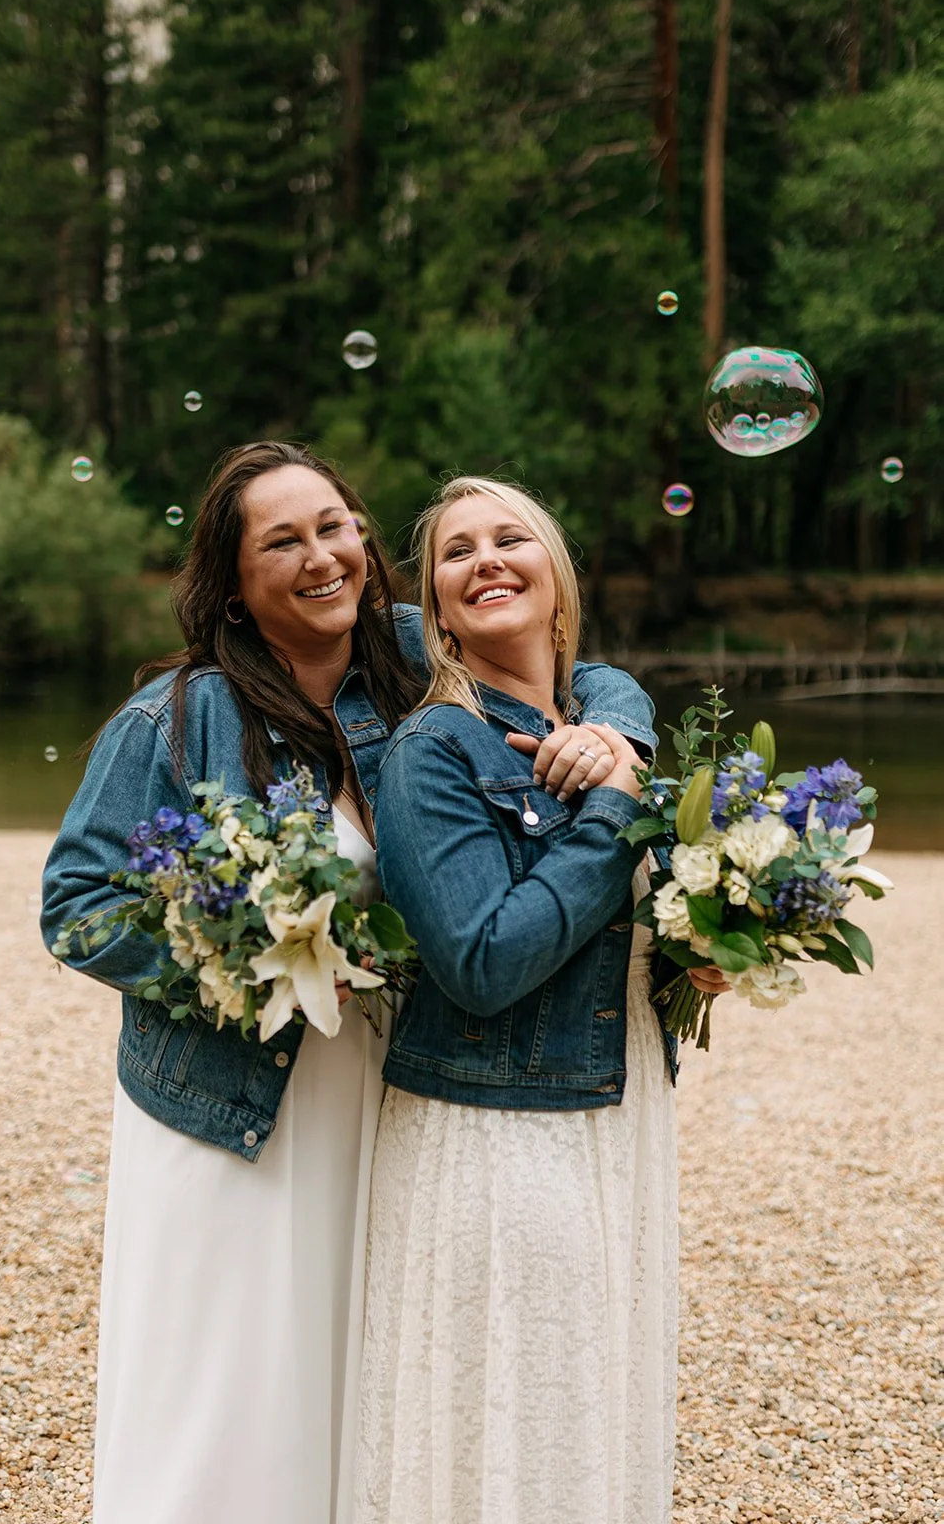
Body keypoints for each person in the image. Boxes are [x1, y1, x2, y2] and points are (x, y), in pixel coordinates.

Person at [39, 442, 658, 1524]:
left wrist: (621, 733)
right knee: (227, 1375)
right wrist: (227, 958)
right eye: (282, 540)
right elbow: (74, 905)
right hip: (231, 1100)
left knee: (353, 1362)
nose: (321, 556)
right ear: (233, 583)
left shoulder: (411, 658)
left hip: (378, 1085)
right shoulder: (171, 719)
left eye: (334, 525)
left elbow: (571, 663)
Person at [355, 475, 728, 1524]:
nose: (484, 559)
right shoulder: (432, 748)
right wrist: (612, 813)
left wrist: (701, 949)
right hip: (496, 1132)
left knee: (589, 1401)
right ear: (433, 607)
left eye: (509, 537)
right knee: (512, 1417)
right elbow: (479, 960)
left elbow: (605, 936)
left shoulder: (609, 719)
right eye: (456, 551)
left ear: (555, 584)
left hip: (616, 1109)